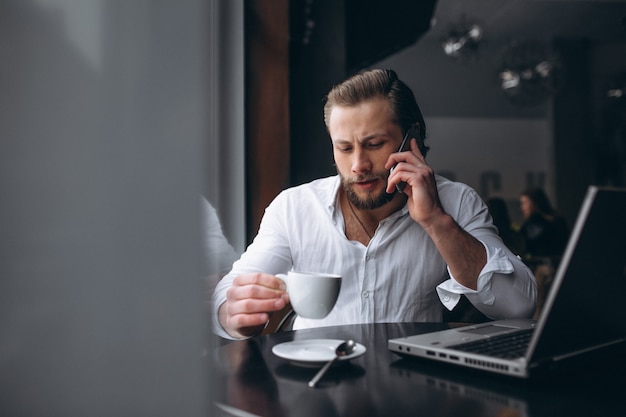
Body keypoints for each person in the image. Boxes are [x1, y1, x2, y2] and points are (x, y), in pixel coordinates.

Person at [212, 69, 536, 340]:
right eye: (344, 148)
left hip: (413, 389)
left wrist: (436, 221)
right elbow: (227, 295)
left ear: (413, 136)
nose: (358, 165)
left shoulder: (457, 202)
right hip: (316, 392)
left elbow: (519, 306)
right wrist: (231, 314)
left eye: (374, 144)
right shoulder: (294, 207)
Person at [518, 187, 569, 262]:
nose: (522, 208)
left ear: (535, 202)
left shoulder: (555, 222)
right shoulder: (527, 225)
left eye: (525, 203)